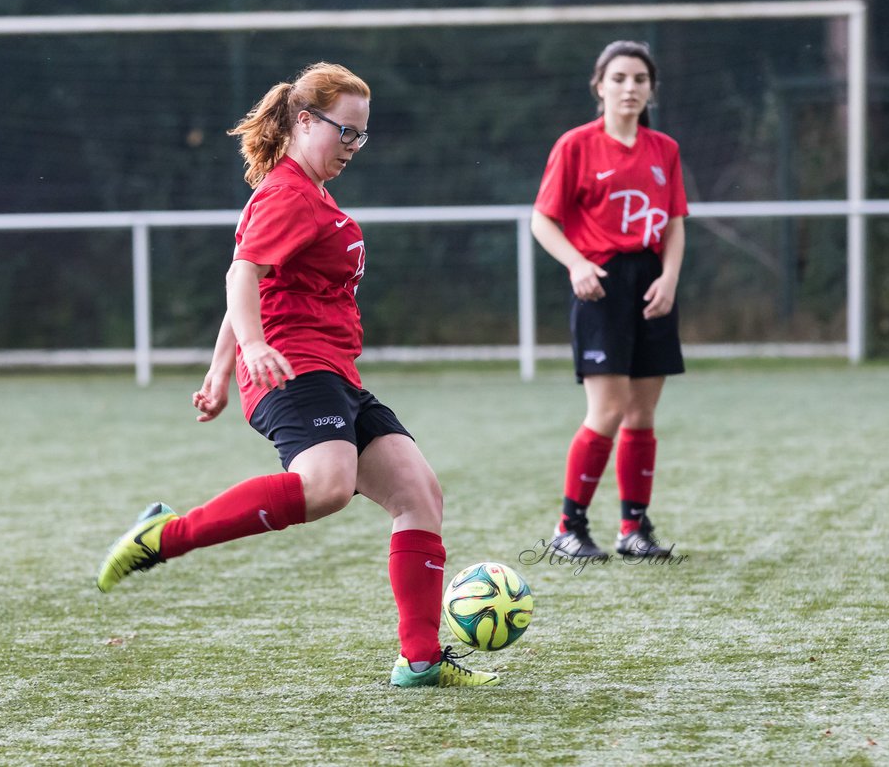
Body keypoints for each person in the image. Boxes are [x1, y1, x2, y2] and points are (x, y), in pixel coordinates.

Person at [96, 62, 497, 688]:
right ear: (304, 121)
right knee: (326, 485)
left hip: (332, 371)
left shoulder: (313, 194)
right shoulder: (287, 192)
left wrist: (220, 372)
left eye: (362, 135)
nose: (353, 146)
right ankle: (164, 536)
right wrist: (251, 349)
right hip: (294, 367)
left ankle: (419, 660)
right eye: (345, 132)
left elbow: (262, 282)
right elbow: (241, 276)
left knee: (420, 495)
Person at [531, 40, 688, 560]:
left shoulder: (664, 148)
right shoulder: (576, 145)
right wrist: (576, 263)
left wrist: (668, 278)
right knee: (609, 410)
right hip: (601, 282)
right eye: (619, 78)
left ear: (651, 90)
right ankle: (568, 526)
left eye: (640, 79)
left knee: (642, 414)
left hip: (651, 281)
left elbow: (675, 223)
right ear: (599, 86)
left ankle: (633, 529)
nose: (630, 88)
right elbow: (542, 219)